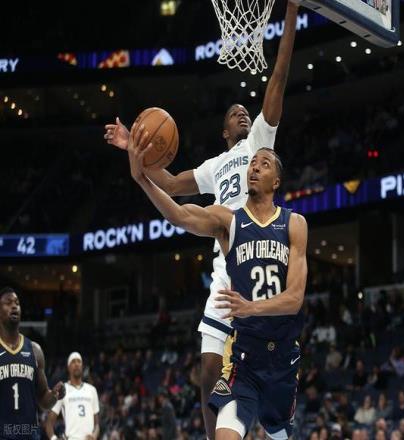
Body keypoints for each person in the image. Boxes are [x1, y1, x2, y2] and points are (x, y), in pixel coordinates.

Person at [103, 3, 299, 438]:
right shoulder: (214, 166)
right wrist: (133, 150)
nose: (243, 113)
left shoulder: (260, 142)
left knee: (266, 376)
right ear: (224, 131)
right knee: (209, 370)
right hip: (225, 264)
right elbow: (171, 184)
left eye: (245, 111)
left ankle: (274, 425)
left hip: (259, 257)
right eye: (234, 113)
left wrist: (290, 15)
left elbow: (278, 79)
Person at [127, 145, 307, 440]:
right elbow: (179, 215)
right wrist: (142, 179)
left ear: (276, 181)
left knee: (280, 434)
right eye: (253, 163)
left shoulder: (294, 224)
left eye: (264, 164)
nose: (255, 167)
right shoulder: (228, 221)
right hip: (243, 361)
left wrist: (250, 307)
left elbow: (295, 298)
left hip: (282, 360)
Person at [0, 286, 65, 440]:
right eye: (8, 303)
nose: (14, 306)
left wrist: (54, 395)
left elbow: (43, 400)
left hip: (29, 435)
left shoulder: (35, 350)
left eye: (17, 303)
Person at [45, 352, 100, 440]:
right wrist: (54, 438)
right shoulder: (63, 390)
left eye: (79, 361)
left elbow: (97, 424)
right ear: (68, 367)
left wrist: (94, 435)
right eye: (73, 361)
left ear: (82, 366)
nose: (76, 364)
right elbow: (49, 423)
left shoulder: (92, 390)